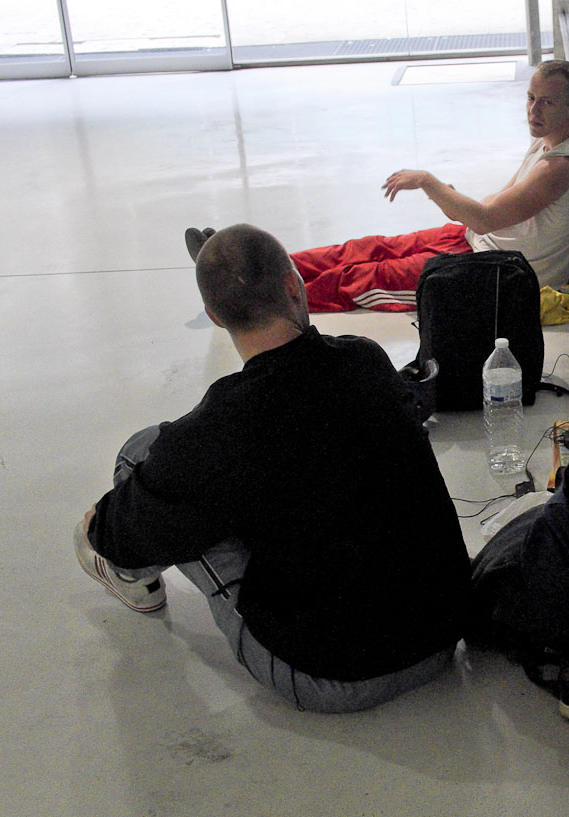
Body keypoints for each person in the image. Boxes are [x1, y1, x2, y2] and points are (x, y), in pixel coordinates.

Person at [75, 223, 472, 713]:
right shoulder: (366, 360)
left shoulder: (223, 427)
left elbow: (123, 530)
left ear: (214, 317)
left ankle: (130, 578)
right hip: (441, 638)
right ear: (293, 286)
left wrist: (99, 528)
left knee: (142, 454)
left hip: (332, 675)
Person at [188, 60, 569, 313]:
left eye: (546, 102)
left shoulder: (560, 165)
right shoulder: (545, 143)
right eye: (530, 97)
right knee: (366, 248)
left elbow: (486, 214)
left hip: (500, 273)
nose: (533, 109)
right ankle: (253, 264)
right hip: (482, 242)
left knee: (366, 277)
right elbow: (490, 208)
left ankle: (253, 296)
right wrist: (454, 202)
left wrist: (430, 182)